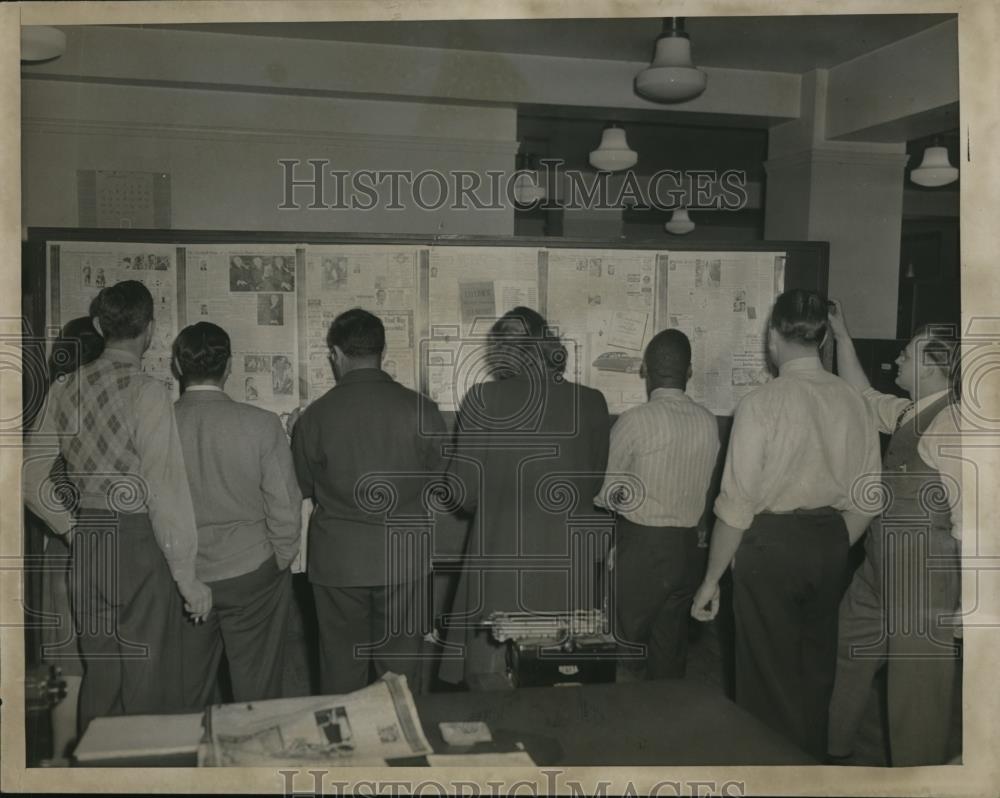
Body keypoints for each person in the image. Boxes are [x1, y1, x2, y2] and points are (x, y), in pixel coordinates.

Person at [690, 289, 880, 760]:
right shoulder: (854, 402)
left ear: (773, 337)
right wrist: (836, 540)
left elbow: (736, 506)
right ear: (819, 338)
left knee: (764, 679)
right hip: (831, 542)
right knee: (815, 673)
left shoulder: (761, 404)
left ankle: (768, 773)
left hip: (768, 548)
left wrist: (710, 580)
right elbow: (869, 495)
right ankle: (809, 773)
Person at [23, 281, 211, 736]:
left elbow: (29, 478)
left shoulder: (66, 387)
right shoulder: (147, 391)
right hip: (138, 540)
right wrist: (188, 580)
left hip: (89, 539)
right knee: (147, 673)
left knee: (102, 672)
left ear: (97, 324)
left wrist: (72, 528)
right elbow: (165, 491)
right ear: (149, 330)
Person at [439, 307, 611, 687]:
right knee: (565, 684)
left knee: (494, 689)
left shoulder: (482, 399)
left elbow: (462, 493)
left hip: (501, 571)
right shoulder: (593, 403)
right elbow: (594, 484)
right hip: (570, 575)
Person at [826, 305, 963, 766]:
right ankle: (834, 754)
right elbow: (862, 394)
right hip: (879, 565)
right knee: (849, 646)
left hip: (924, 575)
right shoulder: (910, 411)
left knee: (916, 694)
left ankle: (921, 778)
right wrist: (843, 336)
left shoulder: (954, 426)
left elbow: (979, 518)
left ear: (930, 363)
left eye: (906, 355)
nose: (897, 362)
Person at [291, 308, 447, 695]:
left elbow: (302, 486)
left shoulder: (315, 416)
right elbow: (441, 482)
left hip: (338, 564)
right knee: (399, 673)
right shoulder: (422, 409)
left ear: (337, 355)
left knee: (340, 668)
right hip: (403, 560)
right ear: (381, 351)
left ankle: (343, 749)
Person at [172, 322, 301, 707]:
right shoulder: (260, 424)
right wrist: (279, 558)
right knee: (256, 694)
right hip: (252, 572)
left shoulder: (159, 423)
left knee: (187, 691)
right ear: (229, 366)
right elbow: (285, 506)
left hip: (184, 575)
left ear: (178, 366)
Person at [594, 329, 719, 680]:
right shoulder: (708, 422)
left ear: (645, 370)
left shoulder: (635, 422)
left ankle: (623, 731)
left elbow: (606, 492)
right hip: (687, 551)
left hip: (642, 547)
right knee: (670, 652)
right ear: (690, 372)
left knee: (623, 651)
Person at [35, 317, 105, 758]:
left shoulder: (58, 392)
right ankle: (68, 760)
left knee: (74, 664)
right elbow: (31, 479)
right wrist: (74, 531)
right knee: (78, 666)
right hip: (73, 546)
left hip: (68, 544)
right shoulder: (71, 393)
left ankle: (69, 759)